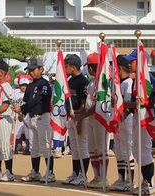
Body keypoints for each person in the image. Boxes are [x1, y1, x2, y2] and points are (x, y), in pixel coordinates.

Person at [13, 58, 55, 183]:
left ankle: (50, 172)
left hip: (42, 117)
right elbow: (26, 101)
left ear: (41, 69)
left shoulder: (44, 84)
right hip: (31, 118)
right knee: (33, 147)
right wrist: (22, 112)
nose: (31, 72)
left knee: (45, 146)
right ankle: (35, 171)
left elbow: (38, 99)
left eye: (33, 69)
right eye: (29, 70)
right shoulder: (30, 86)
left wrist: (22, 107)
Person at [122, 49, 154, 194]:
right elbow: (135, 103)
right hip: (137, 116)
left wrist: (147, 102)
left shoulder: (150, 80)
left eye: (132, 61)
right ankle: (145, 180)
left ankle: (149, 182)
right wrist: (127, 108)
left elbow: (149, 102)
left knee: (144, 150)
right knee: (136, 151)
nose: (129, 64)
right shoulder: (135, 81)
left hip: (147, 116)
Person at [75, 53, 109, 189]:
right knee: (92, 149)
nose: (87, 69)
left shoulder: (103, 82)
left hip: (100, 118)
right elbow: (88, 103)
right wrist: (79, 113)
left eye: (88, 66)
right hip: (90, 118)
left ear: (91, 67)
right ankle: (96, 176)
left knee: (101, 149)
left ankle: (103, 178)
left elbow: (98, 104)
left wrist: (83, 116)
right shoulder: (91, 83)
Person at [61, 54, 90, 186]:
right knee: (74, 147)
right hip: (70, 116)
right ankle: (75, 172)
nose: (64, 68)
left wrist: (80, 118)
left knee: (82, 146)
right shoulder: (69, 80)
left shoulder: (82, 81)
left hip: (79, 117)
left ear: (73, 67)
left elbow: (84, 102)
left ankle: (83, 175)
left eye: (66, 66)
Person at [109, 54, 134, 191]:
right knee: (119, 150)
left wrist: (121, 117)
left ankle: (130, 181)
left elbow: (128, 105)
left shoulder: (128, 83)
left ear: (118, 68)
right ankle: (121, 179)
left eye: (113, 67)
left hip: (126, 120)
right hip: (118, 121)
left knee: (126, 150)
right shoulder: (117, 84)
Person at [13, 77, 30, 155]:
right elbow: (12, 105)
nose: (24, 87)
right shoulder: (16, 93)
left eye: (25, 85)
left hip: (27, 116)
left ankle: (28, 148)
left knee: (28, 133)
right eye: (22, 85)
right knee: (17, 133)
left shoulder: (29, 93)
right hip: (18, 115)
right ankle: (15, 147)